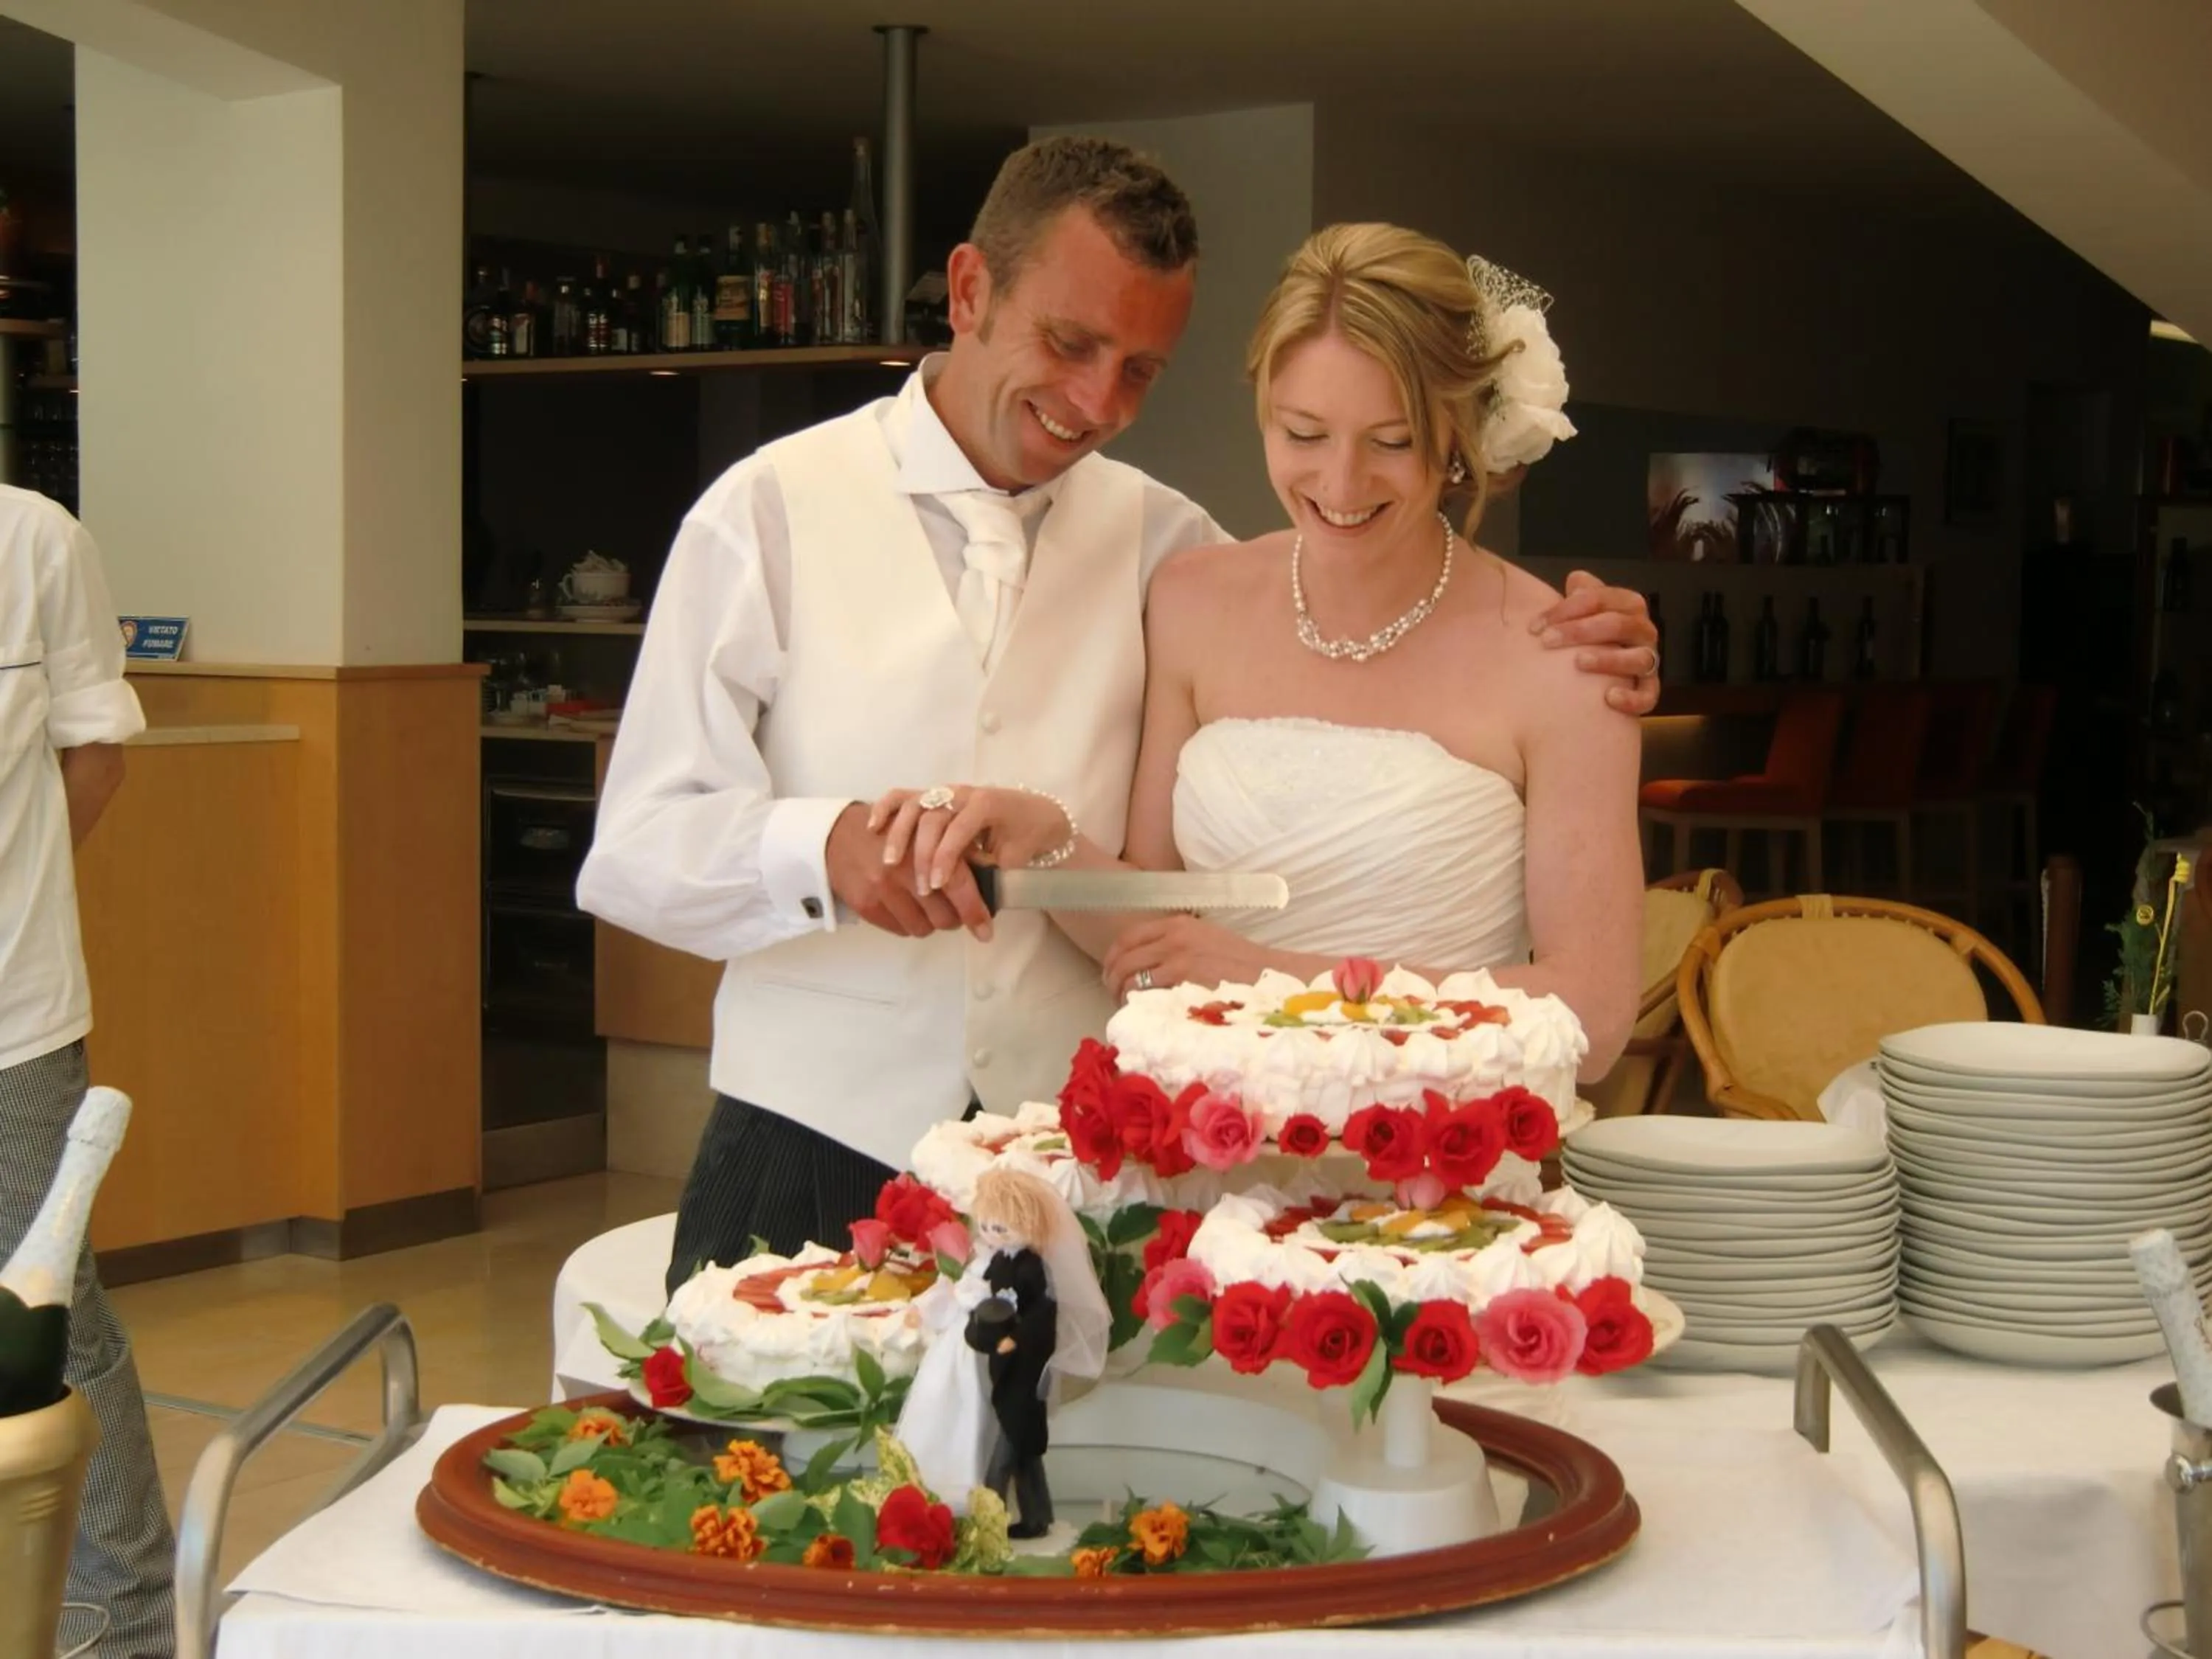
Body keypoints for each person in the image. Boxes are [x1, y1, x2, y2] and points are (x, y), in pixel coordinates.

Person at [575, 139, 1659, 1293]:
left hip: (1093, 1161)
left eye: (1141, 369)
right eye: (1071, 343)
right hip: (807, 1132)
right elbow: (635, 848)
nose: (1098, 402)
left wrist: (1608, 641)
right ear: (970, 290)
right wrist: (823, 847)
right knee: (743, 1456)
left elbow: (1179, 859)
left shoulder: (1171, 546)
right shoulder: (766, 512)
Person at [877, 225, 1643, 1079]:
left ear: (1458, 435)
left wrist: (1285, 985)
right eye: (1304, 434)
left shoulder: (1567, 658)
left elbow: (1596, 1016)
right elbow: (1155, 929)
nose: (1341, 484)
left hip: (1448, 1169)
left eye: (1391, 441)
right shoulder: (1192, 599)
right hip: (1206, 1149)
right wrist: (1045, 838)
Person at [0, 484, 175, 1658]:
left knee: (45, 1320)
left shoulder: (31, 539)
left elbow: (95, 757)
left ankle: (117, 1620)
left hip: (11, 1017)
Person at [897, 1167, 1106, 1536]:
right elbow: (970, 1290)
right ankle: (1035, 1518)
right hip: (991, 1361)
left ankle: (989, 1522)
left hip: (1020, 1369)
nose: (992, 1234)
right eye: (988, 1226)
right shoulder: (995, 1260)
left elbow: (1042, 1315)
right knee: (1023, 1455)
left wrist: (1017, 1339)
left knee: (1005, 1455)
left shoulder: (1031, 1268)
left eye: (1002, 1228)